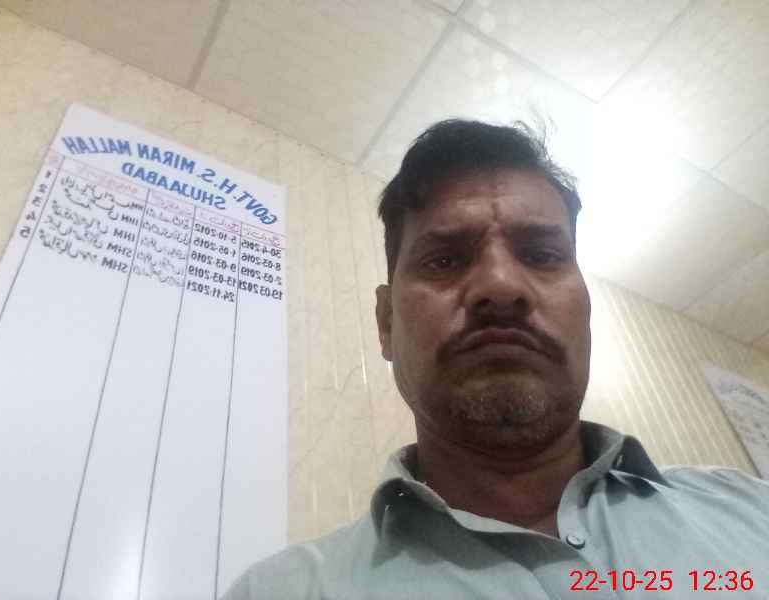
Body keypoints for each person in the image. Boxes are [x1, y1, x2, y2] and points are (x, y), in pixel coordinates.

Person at [223, 120, 769, 599]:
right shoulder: (278, 593)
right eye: (444, 260)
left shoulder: (752, 510)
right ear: (387, 323)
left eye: (542, 255)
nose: (501, 286)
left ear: (585, 310)